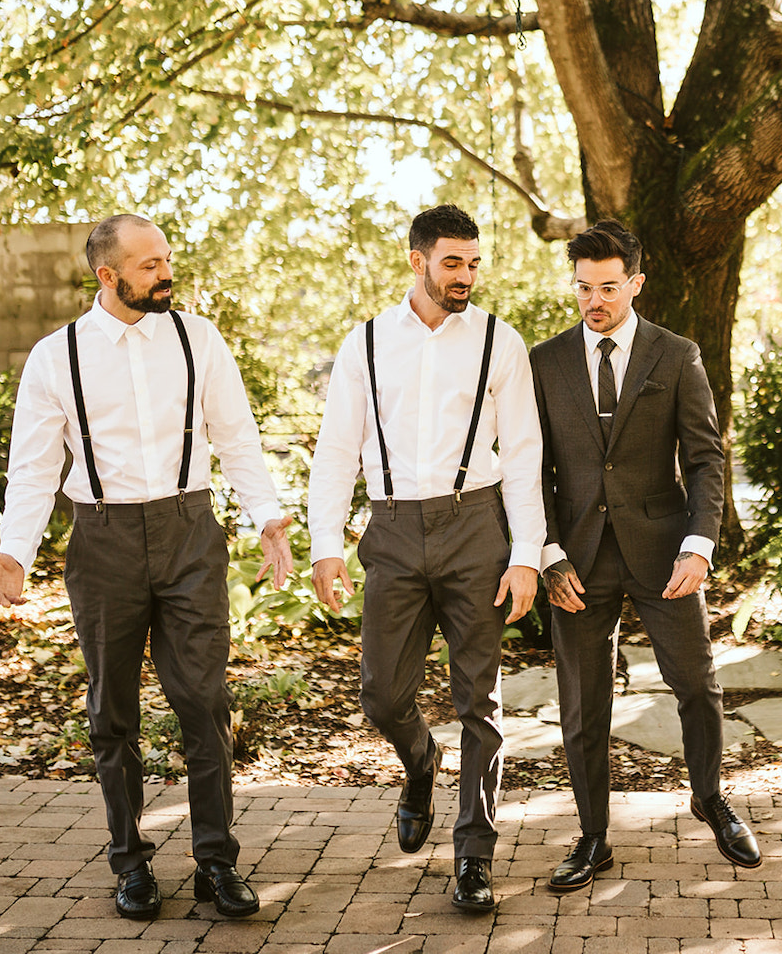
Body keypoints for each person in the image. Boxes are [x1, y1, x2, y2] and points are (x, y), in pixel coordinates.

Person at [0, 214, 293, 921]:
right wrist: (15, 554)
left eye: (166, 260)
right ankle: (131, 865)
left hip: (189, 534)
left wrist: (265, 513)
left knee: (204, 702)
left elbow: (237, 437)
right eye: (149, 264)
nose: (165, 273)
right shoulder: (55, 356)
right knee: (110, 712)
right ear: (108, 275)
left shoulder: (197, 338)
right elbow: (32, 470)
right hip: (103, 542)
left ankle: (217, 861)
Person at [307, 204, 543, 914]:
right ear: (417, 260)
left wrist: (526, 553)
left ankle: (473, 855)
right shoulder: (368, 344)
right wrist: (325, 543)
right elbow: (335, 451)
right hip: (393, 529)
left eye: (473, 263)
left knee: (481, 702)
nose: (466, 276)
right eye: (452, 263)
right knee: (380, 692)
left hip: (476, 526)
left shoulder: (501, 342)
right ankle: (419, 764)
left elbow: (526, 455)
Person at [530, 218, 759, 892]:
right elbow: (530, 467)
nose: (595, 300)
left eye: (608, 286)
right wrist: (546, 553)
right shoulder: (544, 362)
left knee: (696, 682)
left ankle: (710, 797)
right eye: (583, 288)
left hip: (665, 554)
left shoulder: (676, 353)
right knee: (582, 701)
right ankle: (594, 836)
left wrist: (699, 544)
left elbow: (706, 457)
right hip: (575, 560)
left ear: (635, 282)